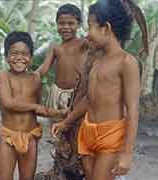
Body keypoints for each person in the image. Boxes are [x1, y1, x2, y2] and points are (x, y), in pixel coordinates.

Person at [52, 0, 140, 180]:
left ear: (105, 28)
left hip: (110, 136)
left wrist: (127, 153)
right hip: (87, 133)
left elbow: (132, 110)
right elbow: (88, 99)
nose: (86, 34)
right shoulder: (97, 61)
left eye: (90, 26)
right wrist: (66, 122)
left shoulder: (127, 62)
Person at [0, 31, 67, 180]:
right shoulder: (3, 75)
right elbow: (8, 103)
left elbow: (39, 108)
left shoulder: (35, 79)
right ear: (6, 56)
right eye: (14, 53)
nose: (19, 58)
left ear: (31, 57)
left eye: (24, 54)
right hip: (8, 137)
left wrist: (60, 113)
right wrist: (35, 107)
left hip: (30, 136)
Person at [36, 3, 87, 111]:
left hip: (77, 93)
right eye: (61, 23)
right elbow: (44, 68)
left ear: (79, 25)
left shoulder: (83, 44)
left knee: (75, 124)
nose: (66, 27)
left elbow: (95, 37)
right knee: (56, 125)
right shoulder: (55, 48)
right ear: (56, 24)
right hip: (57, 94)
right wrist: (31, 76)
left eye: (71, 23)